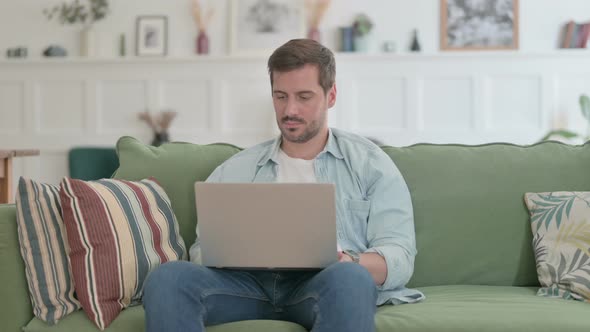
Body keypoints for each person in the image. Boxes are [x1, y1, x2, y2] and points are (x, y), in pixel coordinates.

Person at [143, 39, 423, 332]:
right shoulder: (237, 169)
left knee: (351, 278)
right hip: (245, 287)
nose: (290, 110)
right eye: (280, 96)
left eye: (304, 97)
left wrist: (347, 260)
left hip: (324, 285)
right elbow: (202, 250)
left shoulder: (370, 164)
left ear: (331, 96)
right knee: (168, 278)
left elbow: (399, 256)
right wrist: (236, 253)